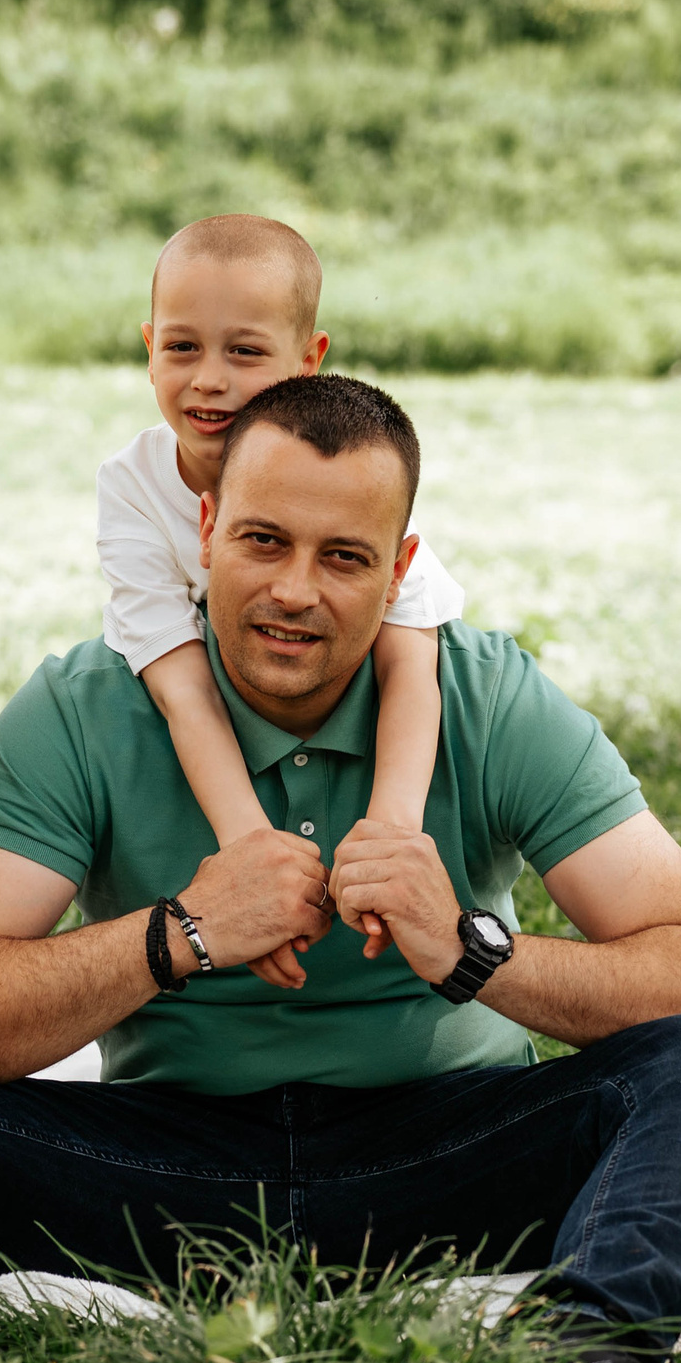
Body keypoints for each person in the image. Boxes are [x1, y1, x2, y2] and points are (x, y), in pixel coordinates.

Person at [0, 374, 681, 1363]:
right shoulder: (86, 702)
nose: (295, 589)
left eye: (343, 557)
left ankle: (596, 1355)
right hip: (162, 1169)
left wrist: (472, 951)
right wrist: (181, 933)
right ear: (203, 530)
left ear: (399, 569)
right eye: (262, 540)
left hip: (452, 1157)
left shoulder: (486, 693)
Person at [100, 216, 466, 982]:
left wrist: (392, 830)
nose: (208, 378)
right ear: (147, 346)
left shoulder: (347, 474)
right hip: (204, 721)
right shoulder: (133, 485)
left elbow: (410, 668)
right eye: (181, 347)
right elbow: (182, 687)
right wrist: (246, 847)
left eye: (245, 351)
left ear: (310, 359)